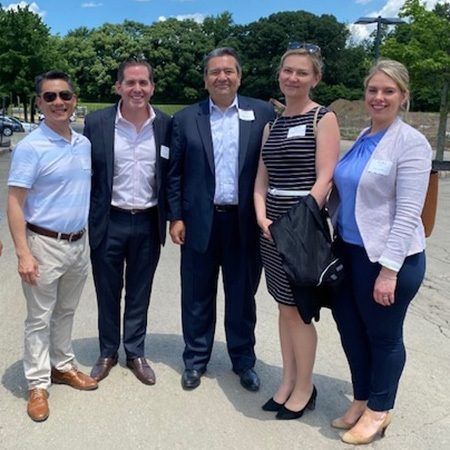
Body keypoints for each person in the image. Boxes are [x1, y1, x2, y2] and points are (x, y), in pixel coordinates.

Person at [329, 59, 432, 444]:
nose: (379, 97)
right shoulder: (364, 138)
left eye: (388, 91)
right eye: (373, 90)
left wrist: (389, 271)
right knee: (352, 329)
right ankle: (361, 398)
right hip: (350, 252)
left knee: (384, 336)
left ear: (403, 97)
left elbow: (408, 213)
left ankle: (379, 410)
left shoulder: (411, 143)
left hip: (389, 259)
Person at [167, 47, 275, 391]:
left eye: (229, 71)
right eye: (215, 72)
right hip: (200, 221)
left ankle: (243, 360)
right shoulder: (185, 119)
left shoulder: (263, 114)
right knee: (197, 295)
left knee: (242, 296)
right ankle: (195, 359)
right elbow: (174, 174)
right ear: (205, 79)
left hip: (244, 223)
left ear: (239, 76)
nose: (222, 77)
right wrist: (175, 217)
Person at [254, 44, 340, 419]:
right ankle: (288, 380)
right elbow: (261, 179)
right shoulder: (272, 125)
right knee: (283, 306)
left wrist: (297, 222)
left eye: (302, 73)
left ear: (315, 78)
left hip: (300, 226)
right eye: (288, 71)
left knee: (299, 311)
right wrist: (262, 218)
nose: (293, 78)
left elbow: (325, 178)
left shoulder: (323, 118)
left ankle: (305, 387)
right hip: (270, 226)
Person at [7, 70, 97, 422]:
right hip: (43, 244)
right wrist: (23, 253)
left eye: (65, 95)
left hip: (78, 243)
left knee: (66, 311)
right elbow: (15, 202)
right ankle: (37, 384)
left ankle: (62, 365)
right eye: (50, 97)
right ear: (39, 103)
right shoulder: (31, 147)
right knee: (39, 318)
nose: (59, 102)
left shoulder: (83, 143)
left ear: (74, 99)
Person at [84, 58, 172, 385]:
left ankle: (135, 351)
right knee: (107, 290)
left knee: (139, 291)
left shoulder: (165, 124)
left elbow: (172, 175)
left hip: (148, 221)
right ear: (118, 86)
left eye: (143, 83)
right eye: (130, 83)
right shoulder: (96, 123)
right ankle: (108, 351)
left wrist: (174, 217)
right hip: (109, 220)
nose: (137, 89)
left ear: (152, 87)